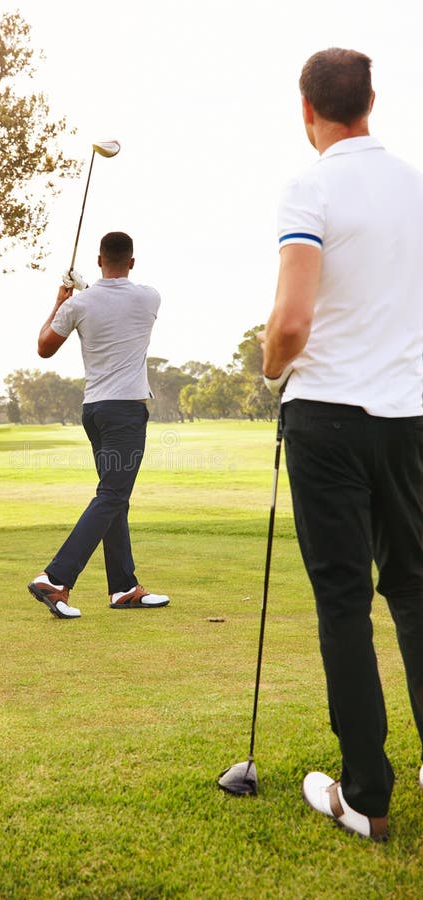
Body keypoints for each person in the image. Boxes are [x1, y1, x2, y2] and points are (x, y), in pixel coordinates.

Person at [260, 48, 423, 841]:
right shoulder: (414, 184)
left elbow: (291, 323)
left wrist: (268, 370)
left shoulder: (310, 184)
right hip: (409, 420)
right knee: (417, 591)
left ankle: (365, 794)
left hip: (326, 421)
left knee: (343, 605)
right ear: (370, 102)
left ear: (307, 109)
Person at [28, 231, 170, 619]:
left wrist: (61, 300)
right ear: (132, 261)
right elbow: (117, 299)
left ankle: (124, 587)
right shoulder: (149, 297)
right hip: (126, 413)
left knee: (114, 498)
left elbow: (44, 346)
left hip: (95, 411)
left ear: (98, 258)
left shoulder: (81, 304)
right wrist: (84, 289)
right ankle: (56, 578)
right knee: (112, 496)